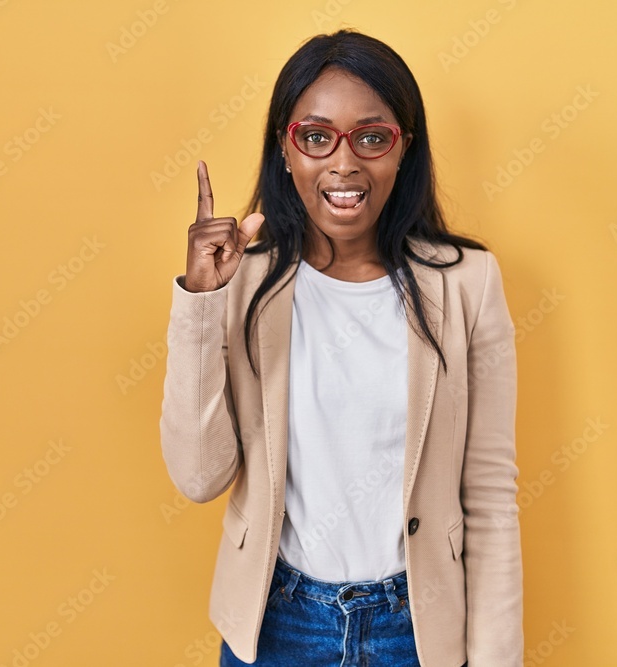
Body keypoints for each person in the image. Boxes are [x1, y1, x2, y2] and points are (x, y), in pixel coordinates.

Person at [160, 28, 522, 667]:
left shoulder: (468, 282)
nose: (344, 163)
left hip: (415, 632)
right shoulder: (242, 281)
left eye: (373, 137)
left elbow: (489, 495)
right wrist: (199, 302)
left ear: (404, 148)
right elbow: (198, 477)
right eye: (317, 136)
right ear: (286, 146)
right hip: (278, 627)